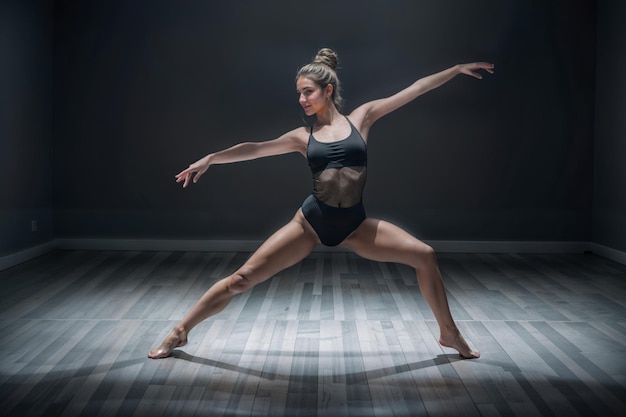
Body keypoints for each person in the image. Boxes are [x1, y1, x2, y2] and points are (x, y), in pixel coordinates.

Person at [149, 48, 494, 360]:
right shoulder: (303, 138)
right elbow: (254, 148)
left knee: (425, 255)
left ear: (327, 91)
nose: (301, 99)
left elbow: (415, 89)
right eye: (299, 93)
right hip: (311, 223)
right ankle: (180, 332)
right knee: (241, 279)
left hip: (355, 225)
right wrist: (211, 158)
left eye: (307, 92)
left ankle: (449, 334)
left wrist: (455, 69)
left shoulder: (363, 118)